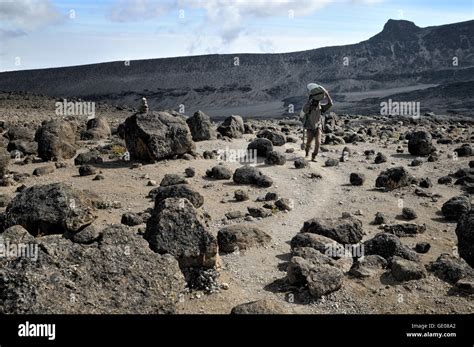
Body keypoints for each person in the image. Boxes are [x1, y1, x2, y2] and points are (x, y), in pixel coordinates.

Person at [301, 85, 333, 161]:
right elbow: (304, 110)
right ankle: (307, 152)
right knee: (308, 142)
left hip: (318, 127)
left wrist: (327, 95)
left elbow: (330, 104)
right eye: (315, 101)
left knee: (318, 143)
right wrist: (309, 101)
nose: (316, 102)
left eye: (317, 101)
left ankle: (314, 156)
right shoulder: (308, 107)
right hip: (310, 128)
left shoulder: (321, 108)